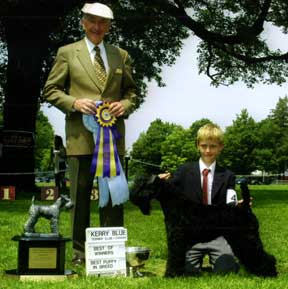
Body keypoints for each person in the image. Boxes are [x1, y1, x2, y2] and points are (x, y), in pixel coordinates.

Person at [43, 2, 138, 265]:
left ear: (109, 26)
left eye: (103, 23)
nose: (97, 27)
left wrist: (124, 105)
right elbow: (51, 90)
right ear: (83, 22)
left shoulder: (121, 55)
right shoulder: (66, 53)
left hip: (112, 138)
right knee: (80, 197)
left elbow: (132, 93)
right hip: (80, 138)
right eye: (92, 21)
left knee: (113, 197)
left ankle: (112, 250)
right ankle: (79, 253)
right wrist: (74, 103)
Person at [159, 123, 240, 275]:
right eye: (204, 146)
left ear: (220, 146)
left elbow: (230, 203)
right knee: (186, 272)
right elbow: (168, 192)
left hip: (217, 234)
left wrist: (237, 206)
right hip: (191, 235)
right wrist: (157, 182)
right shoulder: (183, 171)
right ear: (197, 145)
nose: (208, 150)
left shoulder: (228, 175)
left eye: (213, 146)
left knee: (226, 269)